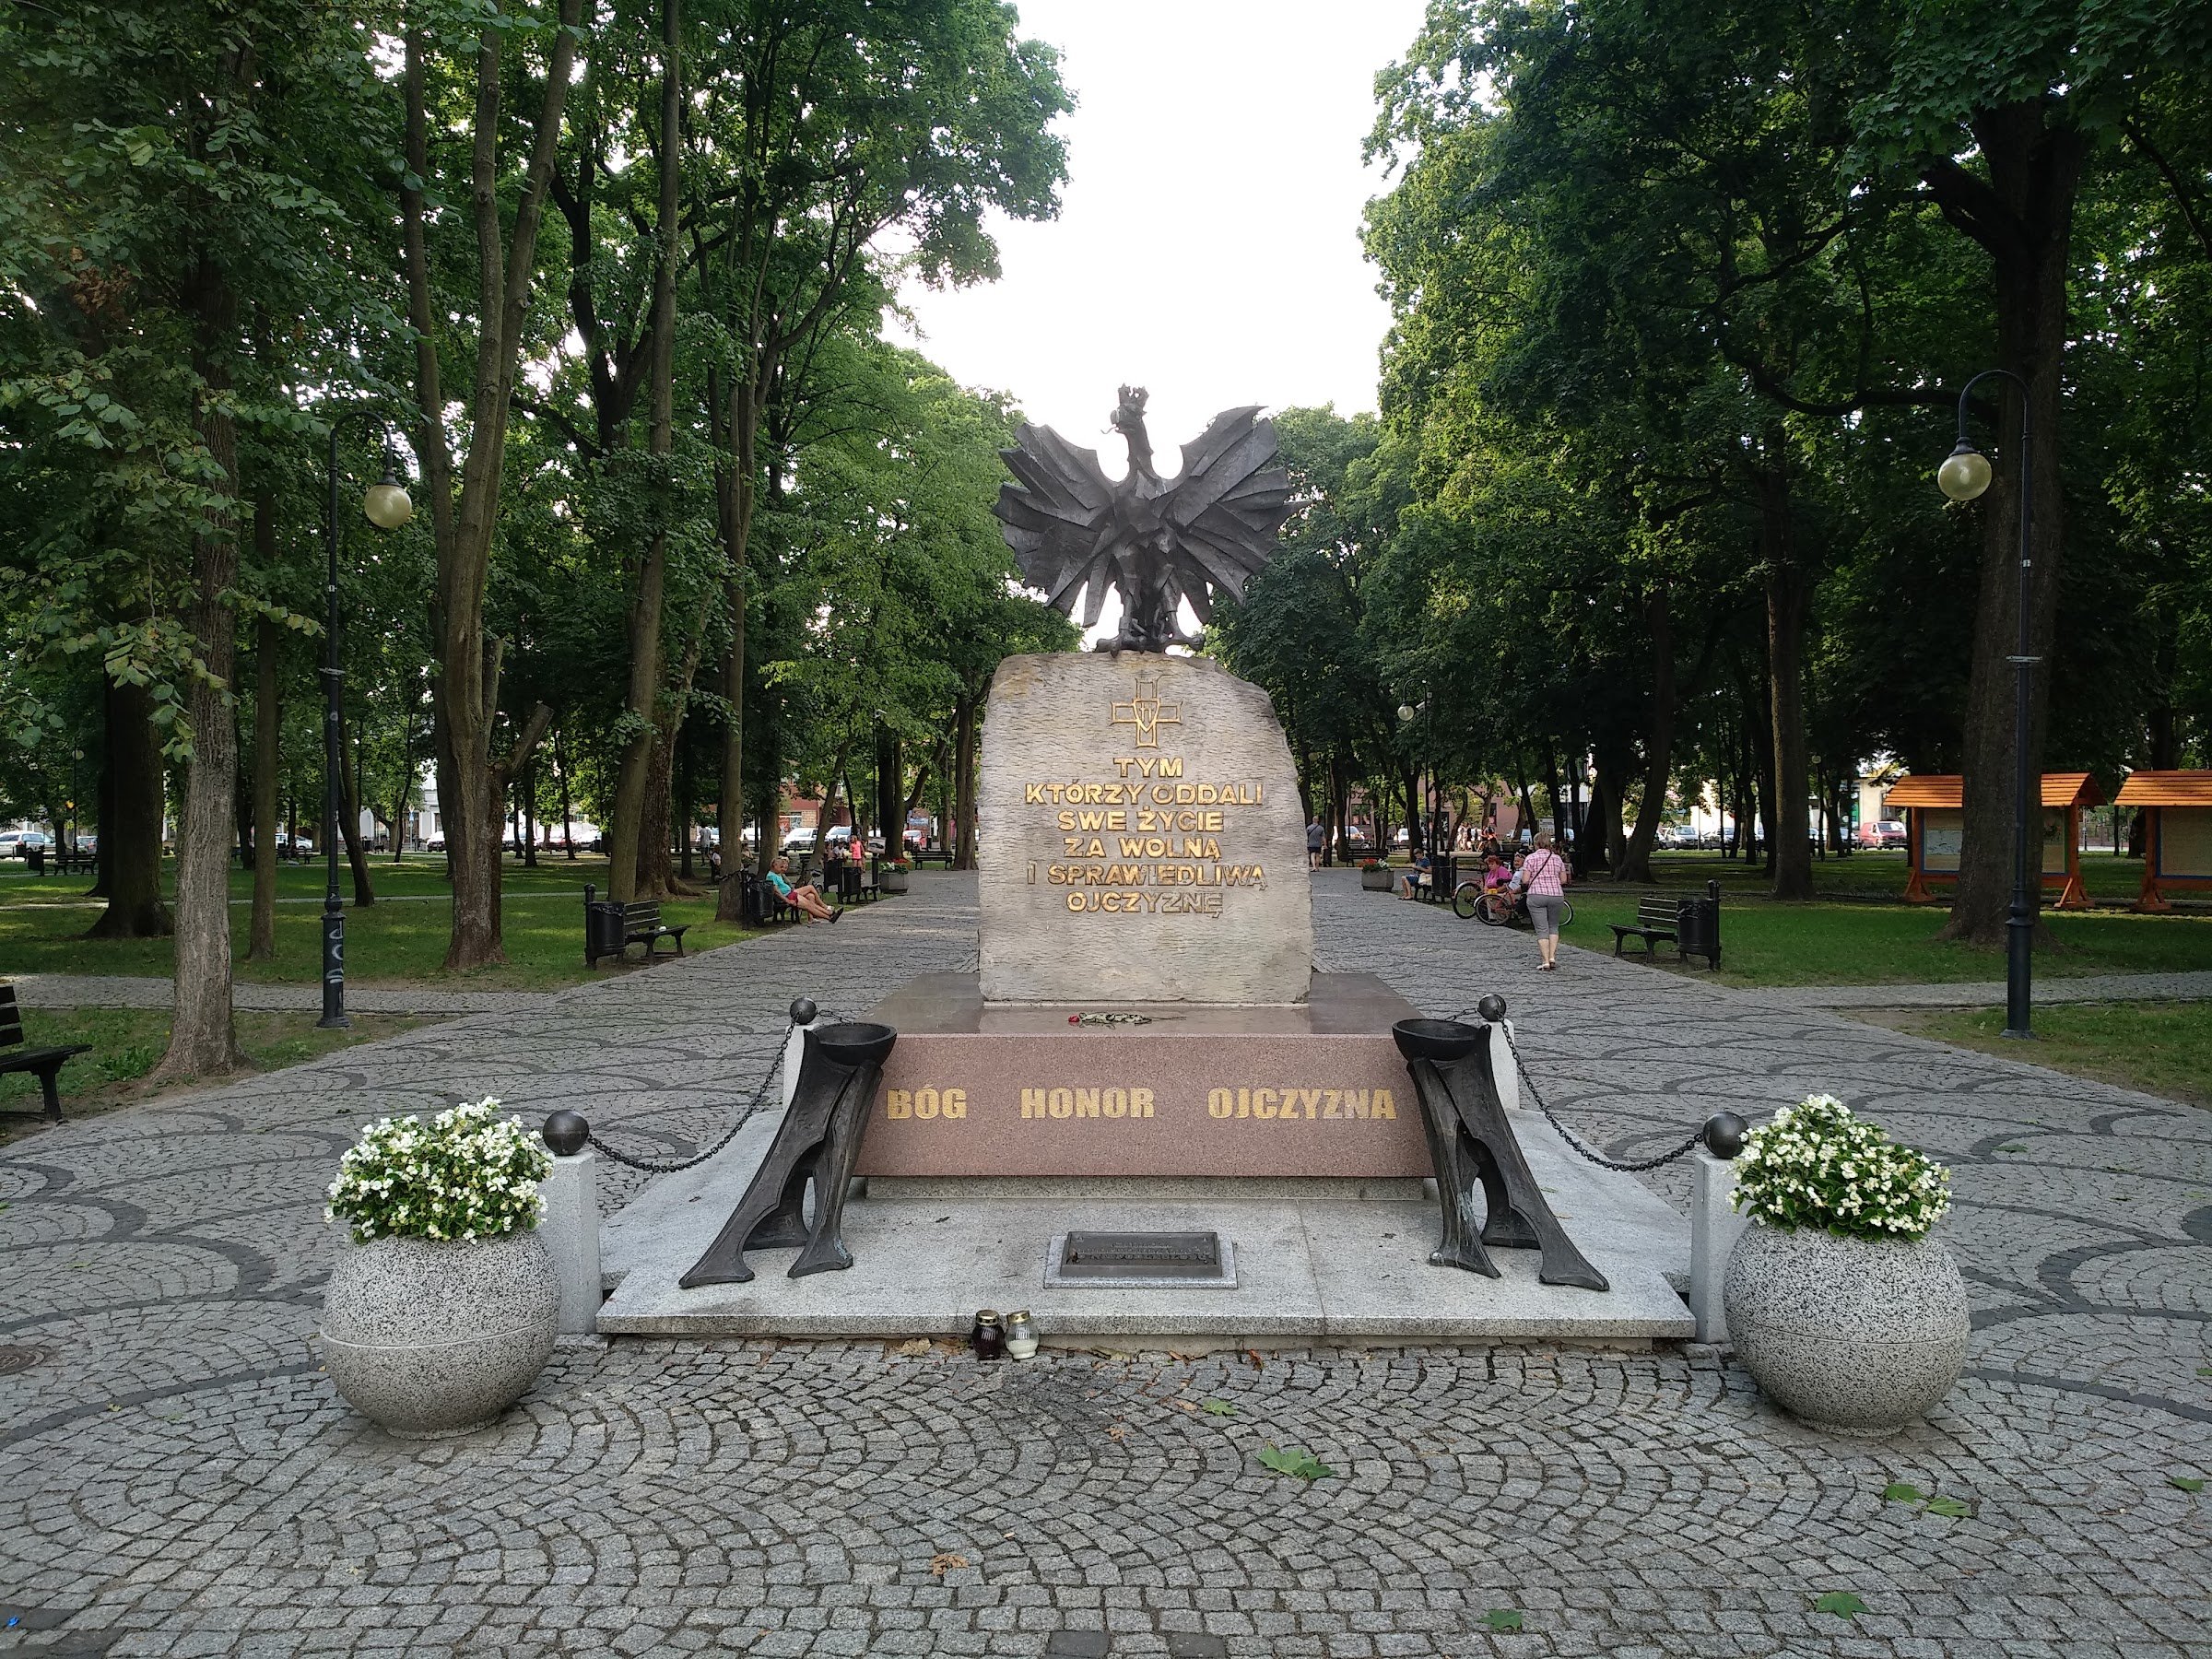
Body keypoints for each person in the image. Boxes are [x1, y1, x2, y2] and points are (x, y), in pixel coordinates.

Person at [1514, 832, 1571, 970]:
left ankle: (1545, 961)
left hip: (1536, 895)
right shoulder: (1557, 859)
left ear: (1536, 844)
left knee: (1541, 929)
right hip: (1556, 895)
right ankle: (1552, 957)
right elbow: (1564, 880)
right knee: (1553, 926)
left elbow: (1525, 880)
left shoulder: (1530, 858)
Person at [767, 854, 839, 924]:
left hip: (790, 894)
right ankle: (829, 916)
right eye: (781, 867)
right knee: (810, 906)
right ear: (775, 865)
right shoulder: (771, 876)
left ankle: (829, 914)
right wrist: (787, 900)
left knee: (811, 902)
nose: (782, 868)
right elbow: (776, 891)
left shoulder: (776, 874)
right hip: (788, 896)